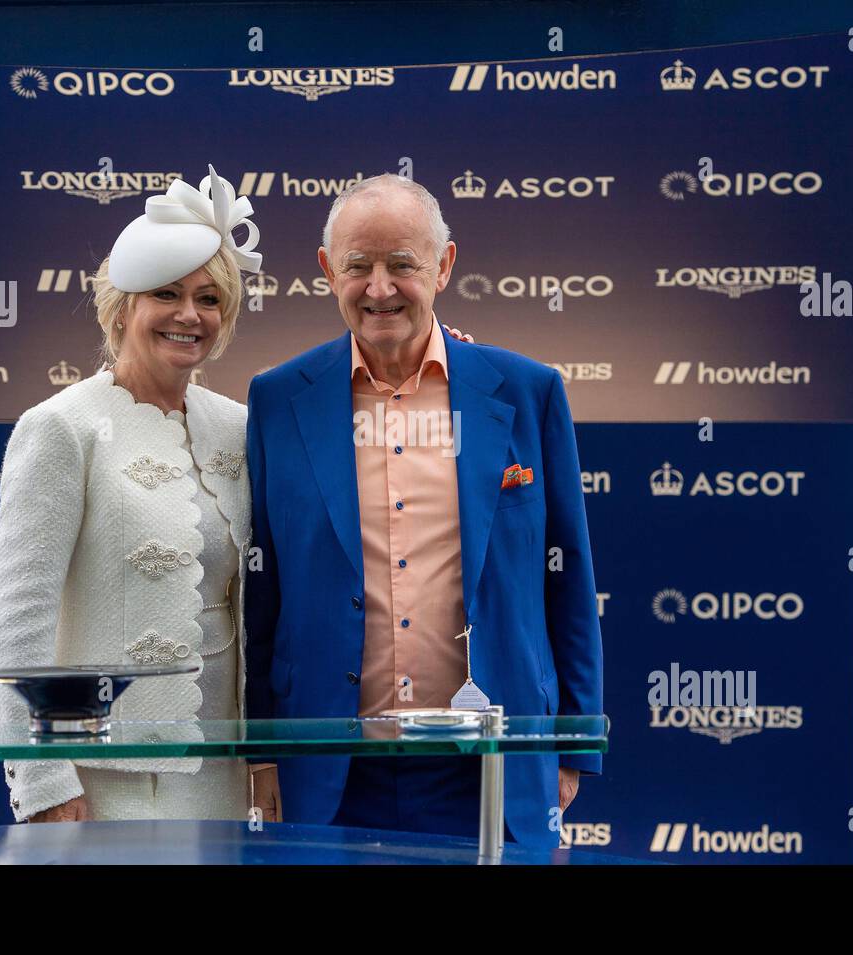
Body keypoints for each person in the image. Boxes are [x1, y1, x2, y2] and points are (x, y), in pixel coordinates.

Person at [244, 174, 603, 848]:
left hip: (492, 765)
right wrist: (262, 748)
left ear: (444, 266)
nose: (379, 288)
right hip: (327, 766)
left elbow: (568, 580)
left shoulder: (530, 392)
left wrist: (575, 742)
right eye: (359, 266)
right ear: (327, 271)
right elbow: (262, 597)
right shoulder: (276, 400)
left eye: (402, 265)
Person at [0, 166, 261, 823]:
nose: (190, 314)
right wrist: (43, 778)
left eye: (210, 297)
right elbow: (16, 624)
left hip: (223, 773)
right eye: (166, 293)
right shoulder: (60, 428)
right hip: (101, 779)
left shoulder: (241, 427)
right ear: (123, 306)